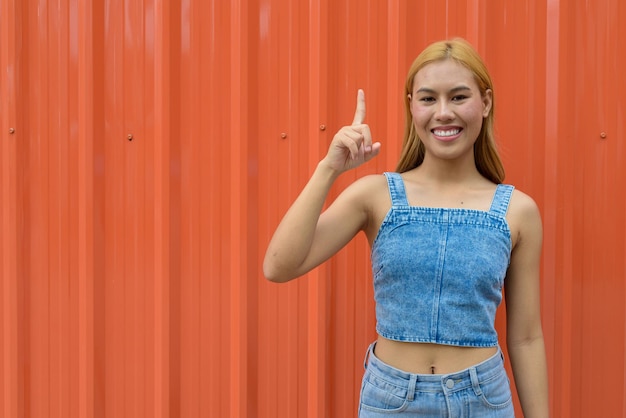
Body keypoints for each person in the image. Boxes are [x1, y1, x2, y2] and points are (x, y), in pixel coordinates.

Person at [263, 38, 549, 417]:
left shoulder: (518, 211)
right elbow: (279, 266)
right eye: (428, 99)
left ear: (486, 103)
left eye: (459, 97)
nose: (443, 112)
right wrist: (328, 169)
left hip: (482, 400)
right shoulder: (375, 195)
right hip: (390, 401)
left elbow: (526, 338)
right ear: (411, 106)